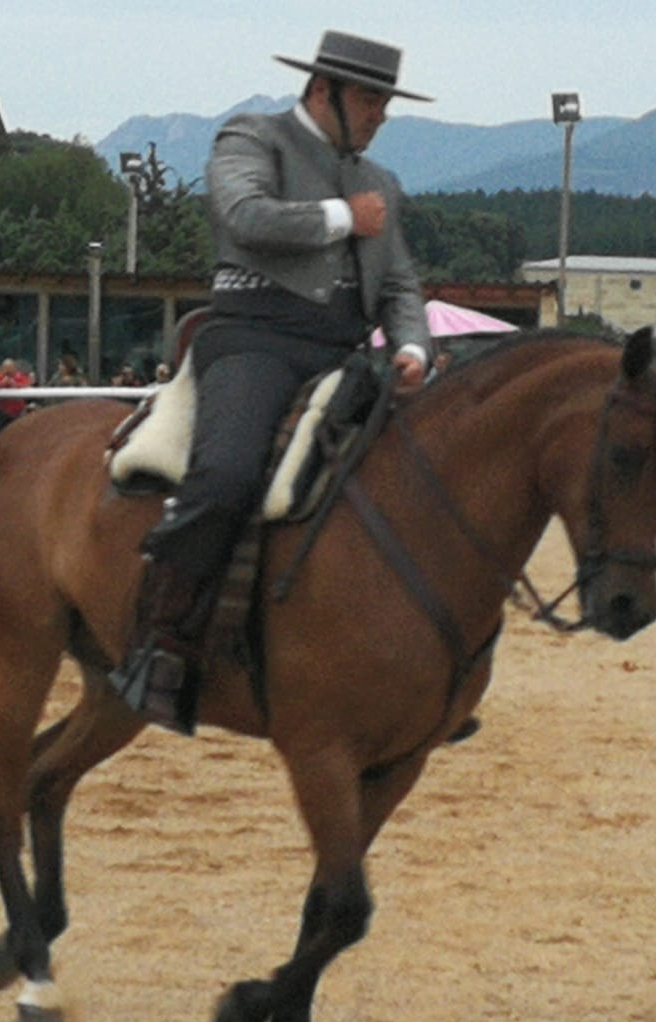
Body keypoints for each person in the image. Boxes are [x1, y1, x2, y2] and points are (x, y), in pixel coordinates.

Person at [107, 29, 432, 735]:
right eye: (370, 99)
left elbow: (399, 283)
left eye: (385, 102)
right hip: (255, 341)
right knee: (226, 474)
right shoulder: (251, 137)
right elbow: (244, 216)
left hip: (346, 353)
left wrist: (412, 348)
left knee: (420, 480)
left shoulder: (381, 183)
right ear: (322, 90)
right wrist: (344, 217)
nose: (380, 115)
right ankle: (160, 641)